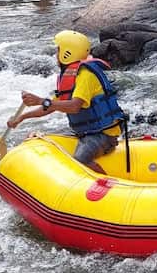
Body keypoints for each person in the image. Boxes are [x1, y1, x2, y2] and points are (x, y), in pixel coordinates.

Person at [9, 29, 127, 174]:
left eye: (58, 51)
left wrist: (41, 100)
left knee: (79, 162)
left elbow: (74, 106)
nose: (55, 55)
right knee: (41, 139)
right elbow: (50, 107)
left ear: (67, 53)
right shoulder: (70, 76)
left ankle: (108, 184)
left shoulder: (86, 76)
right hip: (86, 132)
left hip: (104, 135)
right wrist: (21, 117)